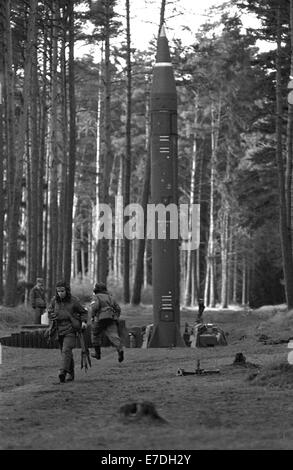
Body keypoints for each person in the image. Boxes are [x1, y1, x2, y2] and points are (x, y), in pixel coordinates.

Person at [48, 280, 88, 383]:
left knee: (66, 350)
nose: (60, 293)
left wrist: (83, 322)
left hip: (71, 329)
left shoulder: (73, 300)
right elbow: (50, 311)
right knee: (65, 353)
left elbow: (83, 312)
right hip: (58, 330)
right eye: (58, 291)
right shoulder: (54, 301)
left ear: (66, 290)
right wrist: (51, 315)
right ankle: (71, 373)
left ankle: (62, 372)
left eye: (62, 291)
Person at [90, 282, 124, 363]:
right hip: (111, 319)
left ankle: (97, 354)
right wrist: (116, 317)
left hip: (100, 319)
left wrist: (92, 316)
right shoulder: (110, 297)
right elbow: (118, 308)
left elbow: (94, 307)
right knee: (114, 335)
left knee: (95, 334)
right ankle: (120, 350)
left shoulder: (96, 297)